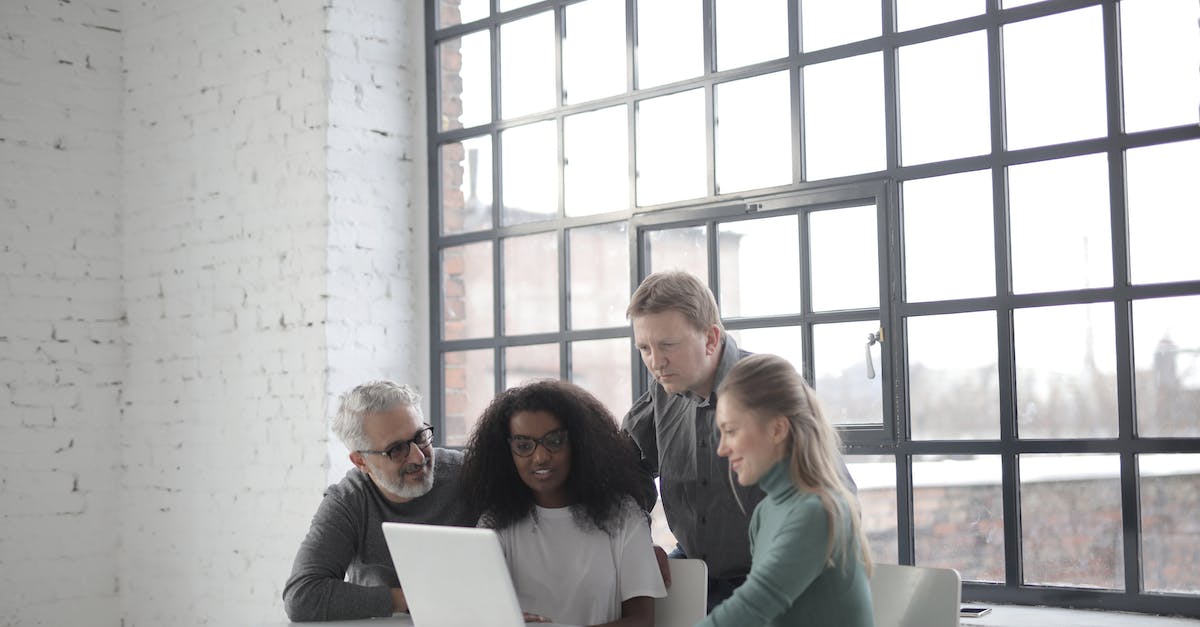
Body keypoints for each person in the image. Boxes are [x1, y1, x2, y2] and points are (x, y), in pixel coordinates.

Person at [622, 270, 856, 609]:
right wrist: (637, 547)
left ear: (711, 338)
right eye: (645, 348)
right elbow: (624, 471)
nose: (656, 362)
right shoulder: (663, 390)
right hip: (692, 570)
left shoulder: (768, 389)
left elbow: (838, 501)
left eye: (668, 345)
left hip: (774, 580)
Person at [460, 380, 667, 627]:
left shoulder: (623, 515)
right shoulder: (495, 524)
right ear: (507, 453)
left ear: (579, 443)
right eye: (524, 446)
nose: (540, 457)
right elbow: (479, 616)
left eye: (554, 441)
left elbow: (643, 621)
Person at [700, 353, 874, 626]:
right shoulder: (764, 513)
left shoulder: (818, 512)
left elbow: (750, 608)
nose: (722, 449)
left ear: (778, 429)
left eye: (731, 431)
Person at [282, 381, 475, 622]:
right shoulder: (348, 501)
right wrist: (411, 599)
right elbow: (302, 597)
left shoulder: (468, 474)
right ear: (361, 462)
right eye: (396, 450)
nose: (418, 456)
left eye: (420, 437)